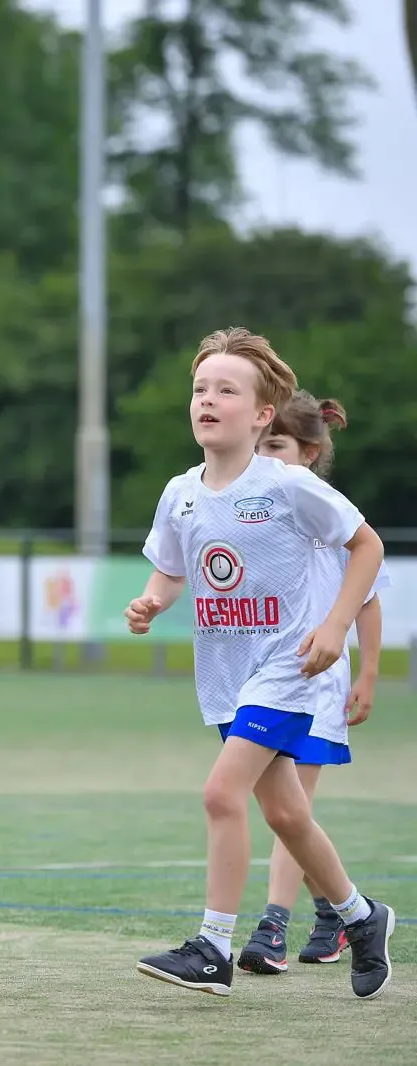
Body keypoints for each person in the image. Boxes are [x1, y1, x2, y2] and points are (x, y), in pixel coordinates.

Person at [126, 327, 393, 1000]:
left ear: (263, 414)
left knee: (222, 793)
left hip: (289, 668)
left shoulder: (288, 485)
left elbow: (367, 547)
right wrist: (152, 601)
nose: (207, 400)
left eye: (226, 390)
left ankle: (213, 946)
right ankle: (363, 920)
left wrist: (337, 627)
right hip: (229, 676)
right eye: (199, 389)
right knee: (286, 816)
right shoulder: (181, 492)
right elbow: (171, 571)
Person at [235, 391, 387, 975]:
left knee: (289, 806)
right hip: (271, 673)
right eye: (261, 446)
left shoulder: (328, 512)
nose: (264, 457)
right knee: (285, 809)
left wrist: (368, 673)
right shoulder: (259, 510)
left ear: (310, 451)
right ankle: (338, 910)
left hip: (317, 678)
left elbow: (367, 597)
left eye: (275, 446)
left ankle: (274, 926)